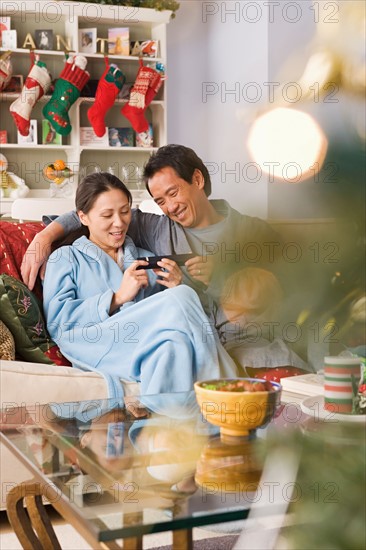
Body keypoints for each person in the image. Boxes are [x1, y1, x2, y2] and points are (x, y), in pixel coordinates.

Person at [23, 145, 305, 371]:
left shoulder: (254, 232)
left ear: (197, 179)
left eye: (173, 193)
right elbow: (96, 210)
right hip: (183, 343)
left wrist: (218, 281)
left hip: (248, 342)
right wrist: (44, 237)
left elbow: (296, 294)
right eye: (160, 201)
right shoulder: (155, 228)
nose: (170, 207)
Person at [42, 172, 237, 403]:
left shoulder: (145, 258)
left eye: (125, 212)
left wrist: (177, 284)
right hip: (95, 342)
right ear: (83, 217)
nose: (119, 222)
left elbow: (184, 322)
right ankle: (228, 394)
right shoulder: (65, 258)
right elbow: (58, 323)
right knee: (182, 297)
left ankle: (164, 429)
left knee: (174, 346)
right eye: (107, 215)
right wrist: (117, 298)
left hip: (144, 344)